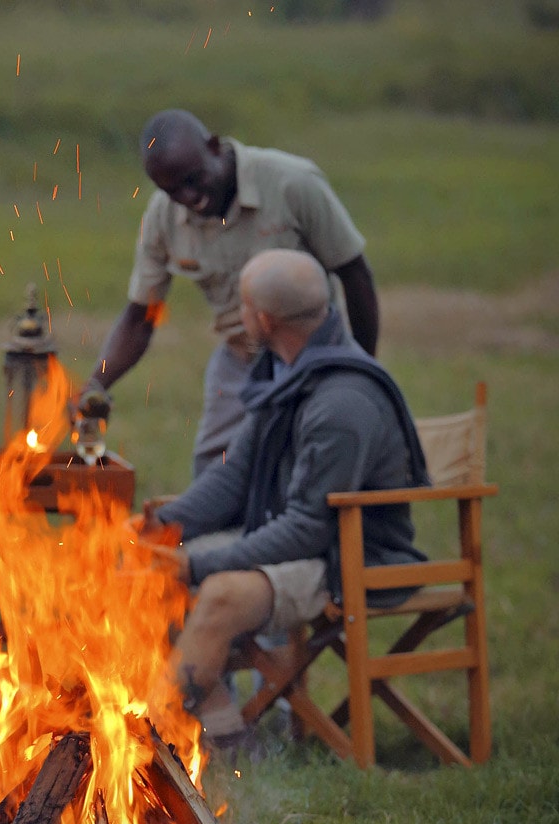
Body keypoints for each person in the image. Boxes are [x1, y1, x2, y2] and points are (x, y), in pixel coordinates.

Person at [134, 249, 427, 749]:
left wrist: (199, 565)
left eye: (242, 305)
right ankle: (224, 730)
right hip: (304, 542)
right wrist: (159, 525)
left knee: (221, 595)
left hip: (348, 556)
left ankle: (152, 741)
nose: (237, 315)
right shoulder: (287, 371)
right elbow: (234, 478)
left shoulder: (341, 401)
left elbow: (309, 528)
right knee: (140, 571)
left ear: (263, 318)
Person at [80, 108, 379, 477]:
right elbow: (141, 316)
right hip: (239, 359)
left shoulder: (291, 184)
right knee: (215, 473)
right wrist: (94, 385)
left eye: (194, 179)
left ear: (214, 147)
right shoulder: (162, 217)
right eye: (172, 191)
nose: (190, 198)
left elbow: (355, 275)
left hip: (312, 356)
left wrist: (362, 370)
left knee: (313, 470)